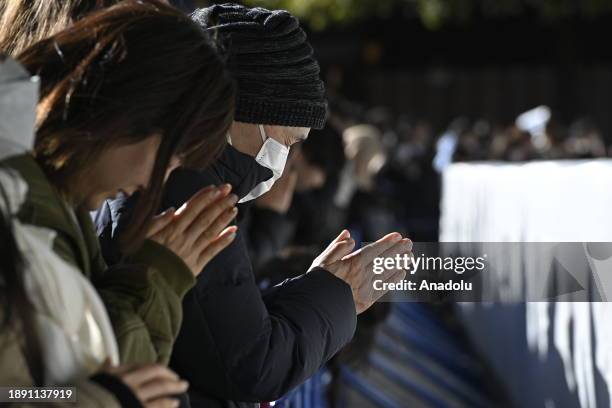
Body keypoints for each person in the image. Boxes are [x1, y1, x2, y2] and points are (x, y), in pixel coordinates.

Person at [96, 4, 412, 407]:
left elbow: (217, 328)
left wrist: (320, 289)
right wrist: (339, 296)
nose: (286, 159)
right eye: (288, 140)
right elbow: (251, 367)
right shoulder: (191, 195)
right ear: (242, 114)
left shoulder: (195, 184)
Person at [2, 0, 237, 372]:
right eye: (168, 156)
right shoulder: (22, 210)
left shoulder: (55, 204)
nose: (151, 186)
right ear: (129, 111)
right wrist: (153, 281)